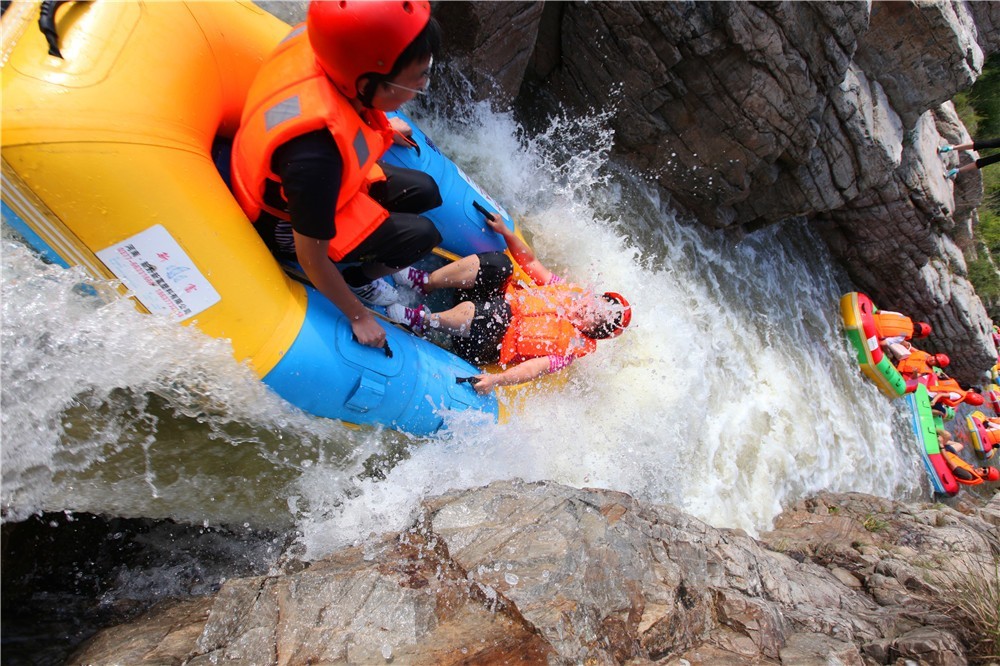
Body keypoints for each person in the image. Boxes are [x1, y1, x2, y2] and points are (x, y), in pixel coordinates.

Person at [231, 1, 443, 349]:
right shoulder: (316, 153)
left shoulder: (327, 54)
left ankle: (370, 262)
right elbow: (310, 257)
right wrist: (358, 315)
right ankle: (361, 280)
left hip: (327, 186)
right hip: (284, 223)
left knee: (426, 191)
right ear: (368, 83)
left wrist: (383, 119)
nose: (423, 83)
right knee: (423, 234)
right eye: (418, 78)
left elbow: (345, 111)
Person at [385, 212, 632, 394]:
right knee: (501, 266)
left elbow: (534, 368)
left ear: (596, 329)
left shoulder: (569, 351)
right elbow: (532, 264)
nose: (589, 307)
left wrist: (496, 380)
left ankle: (422, 321)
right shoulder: (569, 293)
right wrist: (506, 233)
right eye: (596, 302)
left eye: (596, 314)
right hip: (486, 304)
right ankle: (425, 282)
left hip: (479, 342)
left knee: (498, 313)